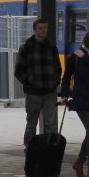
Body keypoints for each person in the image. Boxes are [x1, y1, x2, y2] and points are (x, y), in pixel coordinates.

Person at [59, 29, 89, 177]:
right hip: (82, 100)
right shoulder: (75, 57)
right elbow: (67, 77)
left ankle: (79, 162)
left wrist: (85, 57)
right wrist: (64, 95)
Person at [15, 19, 62, 150]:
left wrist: (55, 82)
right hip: (33, 93)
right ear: (35, 30)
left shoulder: (52, 48)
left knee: (51, 123)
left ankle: (49, 148)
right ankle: (29, 147)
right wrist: (30, 81)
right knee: (31, 123)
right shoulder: (26, 48)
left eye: (45, 28)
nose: (43, 30)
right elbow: (18, 71)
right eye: (40, 28)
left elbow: (58, 68)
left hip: (49, 92)